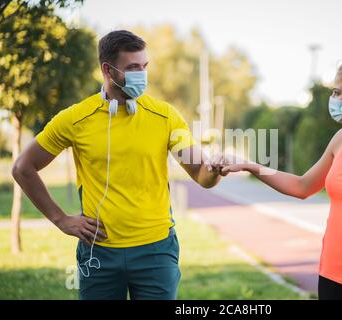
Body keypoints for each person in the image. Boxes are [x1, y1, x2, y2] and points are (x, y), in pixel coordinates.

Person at [12, 30, 224, 300]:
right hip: (98, 253)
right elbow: (23, 168)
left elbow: (201, 174)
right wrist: (60, 219)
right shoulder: (75, 119)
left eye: (144, 66)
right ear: (107, 69)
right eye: (133, 67)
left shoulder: (166, 116)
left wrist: (214, 171)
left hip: (156, 252)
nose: (142, 74)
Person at [221, 53, 342, 300]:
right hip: (329, 277)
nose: (332, 99)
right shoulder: (341, 140)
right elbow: (302, 186)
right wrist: (251, 166)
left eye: (337, 92)